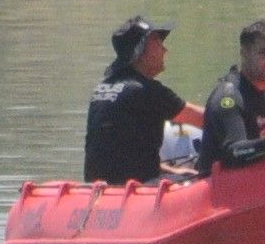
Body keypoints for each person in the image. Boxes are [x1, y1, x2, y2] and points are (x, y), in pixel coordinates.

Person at [82, 16, 202, 184]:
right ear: (141, 53)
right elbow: (203, 119)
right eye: (158, 44)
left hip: (99, 188)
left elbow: (117, 157)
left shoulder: (101, 89)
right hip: (135, 188)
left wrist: (171, 171)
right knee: (201, 177)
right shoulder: (146, 90)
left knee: (183, 173)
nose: (165, 50)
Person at [203, 19, 265, 171]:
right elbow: (233, 152)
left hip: (261, 181)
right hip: (220, 187)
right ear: (244, 54)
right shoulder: (228, 98)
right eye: (264, 52)